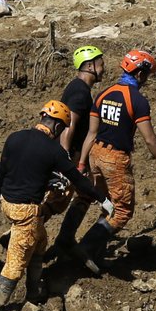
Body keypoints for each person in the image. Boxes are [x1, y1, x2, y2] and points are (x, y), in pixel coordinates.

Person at [0, 101, 112, 311]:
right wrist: (102, 198)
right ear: (59, 127)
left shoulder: (14, 138)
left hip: (7, 202)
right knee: (16, 262)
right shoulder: (54, 150)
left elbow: (2, 170)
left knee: (40, 240)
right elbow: (77, 180)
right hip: (26, 211)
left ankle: (34, 291)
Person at [72, 50, 156, 275]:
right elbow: (149, 139)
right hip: (115, 159)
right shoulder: (137, 100)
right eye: (146, 76)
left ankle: (89, 253)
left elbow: (91, 133)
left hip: (95, 154)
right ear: (139, 74)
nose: (146, 81)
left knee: (104, 203)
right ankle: (87, 248)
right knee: (122, 210)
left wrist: (82, 163)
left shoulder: (103, 94)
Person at [46, 46, 105, 259]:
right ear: (90, 66)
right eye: (100, 64)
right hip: (71, 157)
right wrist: (67, 159)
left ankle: (64, 237)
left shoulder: (77, 88)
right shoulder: (80, 93)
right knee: (64, 197)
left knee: (64, 198)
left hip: (72, 156)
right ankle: (62, 238)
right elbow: (70, 124)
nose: (103, 68)